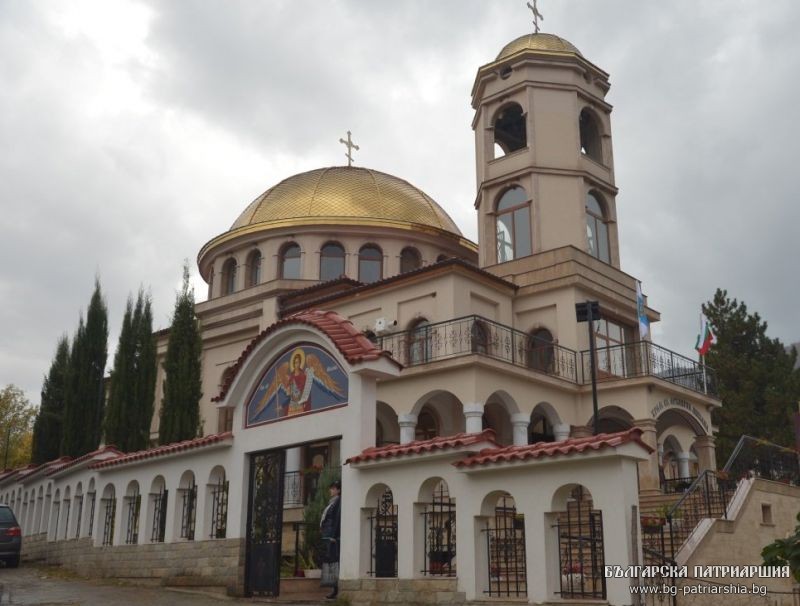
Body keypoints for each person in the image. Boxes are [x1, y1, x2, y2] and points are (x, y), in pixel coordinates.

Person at [320, 480, 341, 599]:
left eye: (333, 488)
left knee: (334, 563)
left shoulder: (338, 502)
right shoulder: (332, 502)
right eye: (331, 488)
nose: (331, 490)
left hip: (332, 537)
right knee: (330, 561)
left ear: (338, 490)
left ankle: (335, 590)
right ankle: (334, 589)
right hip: (328, 535)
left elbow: (336, 519)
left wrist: (333, 535)